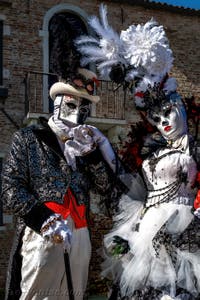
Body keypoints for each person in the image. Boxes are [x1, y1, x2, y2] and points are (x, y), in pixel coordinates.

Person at [74, 6, 200, 299]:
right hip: (146, 232)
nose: (164, 123)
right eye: (156, 119)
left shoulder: (195, 148)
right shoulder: (152, 153)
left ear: (180, 105)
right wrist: (97, 152)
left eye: (168, 113)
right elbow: (129, 189)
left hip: (184, 234)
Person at [1, 67, 127, 300]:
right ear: (56, 104)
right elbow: (9, 188)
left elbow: (106, 188)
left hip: (80, 233)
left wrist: (92, 154)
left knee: (74, 295)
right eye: (71, 105)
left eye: (84, 109)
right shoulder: (29, 138)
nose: (77, 115)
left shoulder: (86, 145)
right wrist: (44, 219)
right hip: (43, 234)